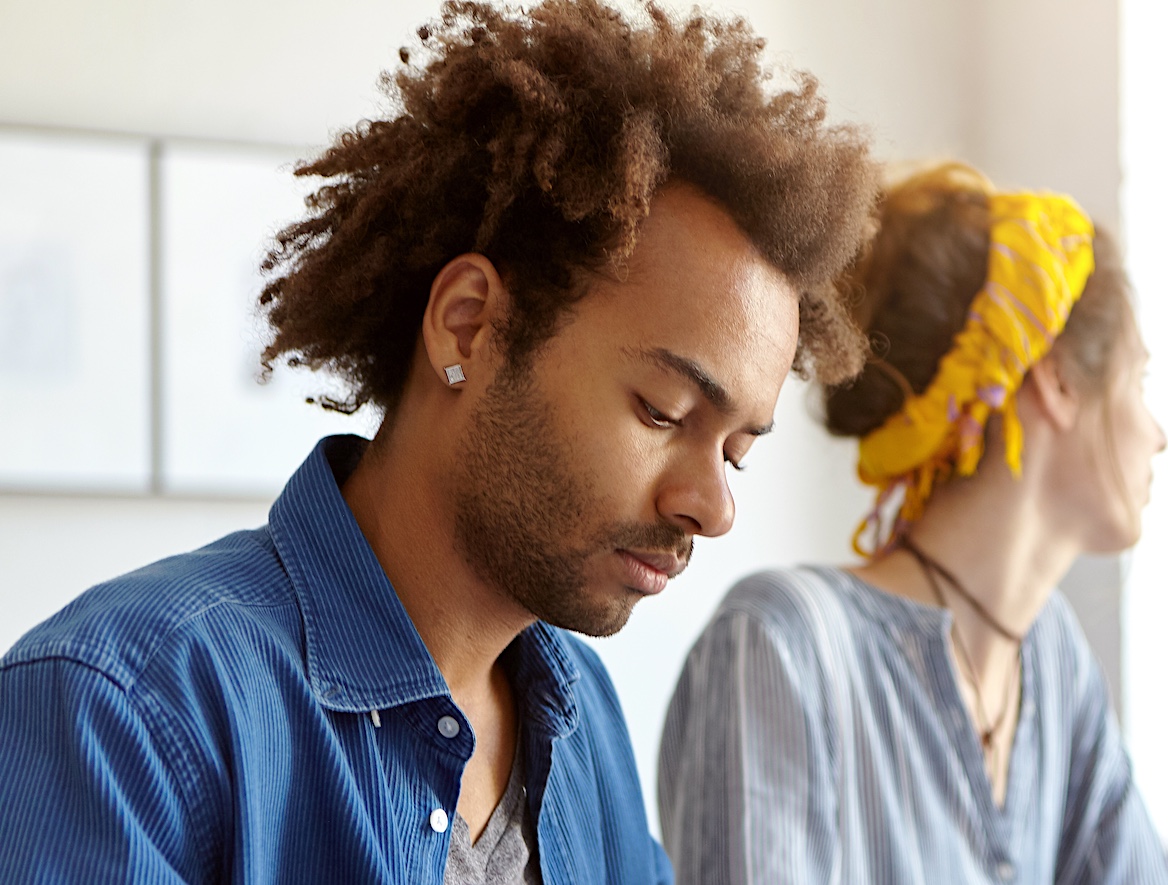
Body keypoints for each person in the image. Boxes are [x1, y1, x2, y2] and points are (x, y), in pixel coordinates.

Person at [0, 1, 877, 882]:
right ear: (468, 327)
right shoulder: (122, 709)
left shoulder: (580, 719)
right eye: (661, 410)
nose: (713, 507)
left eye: (736, 452)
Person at [655, 162, 1168, 884]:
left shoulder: (1053, 659)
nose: (1158, 433)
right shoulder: (777, 644)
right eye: (1139, 380)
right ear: (1054, 378)